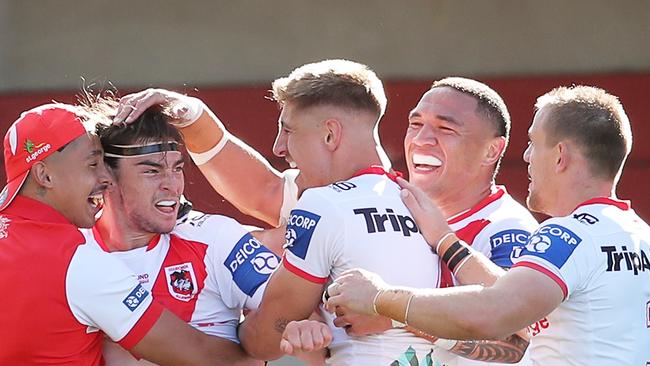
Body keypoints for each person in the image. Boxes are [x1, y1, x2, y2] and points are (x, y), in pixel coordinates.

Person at [114, 77, 536, 365]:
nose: (422, 139)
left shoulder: (505, 229)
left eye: (446, 129)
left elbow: (516, 344)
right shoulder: (385, 195)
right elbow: (265, 192)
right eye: (415, 123)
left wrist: (396, 313)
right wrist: (193, 117)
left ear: (492, 151)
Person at [325, 85, 650, 365]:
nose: (525, 156)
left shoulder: (567, 236)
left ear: (560, 156)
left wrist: (382, 299)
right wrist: (445, 239)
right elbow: (514, 294)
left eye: (533, 143)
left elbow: (493, 312)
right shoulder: (638, 234)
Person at [0, 103, 247, 365]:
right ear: (44, 176)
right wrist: (253, 354)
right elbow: (200, 355)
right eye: (93, 164)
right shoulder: (78, 263)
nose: (105, 177)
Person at [88, 102, 278, 365]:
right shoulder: (72, 251)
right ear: (105, 176)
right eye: (152, 171)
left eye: (177, 168)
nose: (172, 185)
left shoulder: (215, 237)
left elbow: (290, 307)